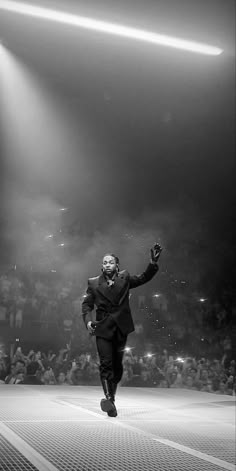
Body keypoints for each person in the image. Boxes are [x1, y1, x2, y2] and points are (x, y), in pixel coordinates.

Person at [82, 243, 162, 417]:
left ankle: (112, 399)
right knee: (106, 364)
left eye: (110, 262)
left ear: (116, 265)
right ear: (102, 265)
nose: (107, 264)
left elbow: (143, 278)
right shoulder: (94, 283)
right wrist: (88, 321)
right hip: (102, 328)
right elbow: (86, 305)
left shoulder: (124, 278)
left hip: (120, 328)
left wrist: (152, 262)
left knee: (117, 367)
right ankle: (108, 399)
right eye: (104, 262)